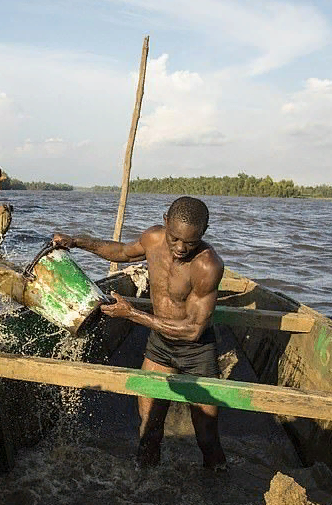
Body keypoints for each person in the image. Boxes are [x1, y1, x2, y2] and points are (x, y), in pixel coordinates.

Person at [52, 196, 226, 470]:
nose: (180, 248)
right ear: (166, 223)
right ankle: (145, 486)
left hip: (197, 353)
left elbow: (193, 330)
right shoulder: (153, 238)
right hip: (160, 346)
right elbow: (121, 252)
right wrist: (76, 241)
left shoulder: (207, 265)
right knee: (148, 430)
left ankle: (218, 489)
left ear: (203, 233)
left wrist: (132, 314)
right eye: (175, 238)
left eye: (190, 242)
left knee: (206, 438)